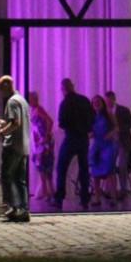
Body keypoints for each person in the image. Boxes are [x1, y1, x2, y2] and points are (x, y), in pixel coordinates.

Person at [0, 75, 31, 223]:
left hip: (13, 145)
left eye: (0, 88)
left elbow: (15, 123)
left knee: (7, 176)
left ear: (7, 86)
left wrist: (0, 132)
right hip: (24, 146)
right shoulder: (22, 100)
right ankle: (24, 209)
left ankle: (14, 207)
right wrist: (4, 123)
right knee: (20, 179)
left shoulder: (12, 101)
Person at [53, 78, 94, 211]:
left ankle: (59, 198)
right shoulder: (84, 100)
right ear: (73, 86)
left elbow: (62, 122)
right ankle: (84, 199)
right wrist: (86, 129)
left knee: (61, 168)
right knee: (83, 170)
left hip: (71, 138)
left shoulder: (65, 103)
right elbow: (92, 117)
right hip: (83, 139)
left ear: (63, 89)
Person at [88, 94, 118, 205]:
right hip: (97, 146)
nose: (96, 103)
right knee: (95, 174)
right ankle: (97, 198)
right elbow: (90, 132)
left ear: (102, 103)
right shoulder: (91, 117)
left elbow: (116, 127)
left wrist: (111, 133)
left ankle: (113, 198)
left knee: (109, 172)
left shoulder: (109, 114)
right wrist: (89, 134)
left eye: (98, 102)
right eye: (94, 102)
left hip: (108, 146)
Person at [106, 90, 131, 201]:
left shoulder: (123, 110)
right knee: (109, 166)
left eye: (110, 100)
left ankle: (123, 190)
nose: (108, 102)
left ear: (114, 99)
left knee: (122, 166)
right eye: (106, 100)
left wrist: (120, 129)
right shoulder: (105, 113)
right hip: (111, 143)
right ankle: (111, 190)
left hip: (123, 142)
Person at [28, 91, 56, 203]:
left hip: (44, 142)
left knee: (45, 166)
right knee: (41, 167)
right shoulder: (33, 110)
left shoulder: (39, 109)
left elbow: (50, 121)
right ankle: (47, 192)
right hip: (38, 142)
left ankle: (48, 192)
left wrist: (46, 135)